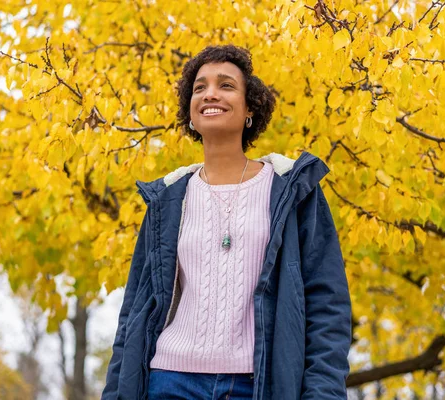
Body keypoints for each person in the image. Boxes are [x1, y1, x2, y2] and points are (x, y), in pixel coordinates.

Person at [102, 44, 352, 400]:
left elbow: (327, 305)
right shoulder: (168, 200)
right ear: (190, 112)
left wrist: (323, 393)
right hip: (169, 382)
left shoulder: (292, 190)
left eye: (226, 85)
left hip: (257, 384)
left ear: (250, 107)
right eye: (199, 87)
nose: (210, 94)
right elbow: (133, 314)